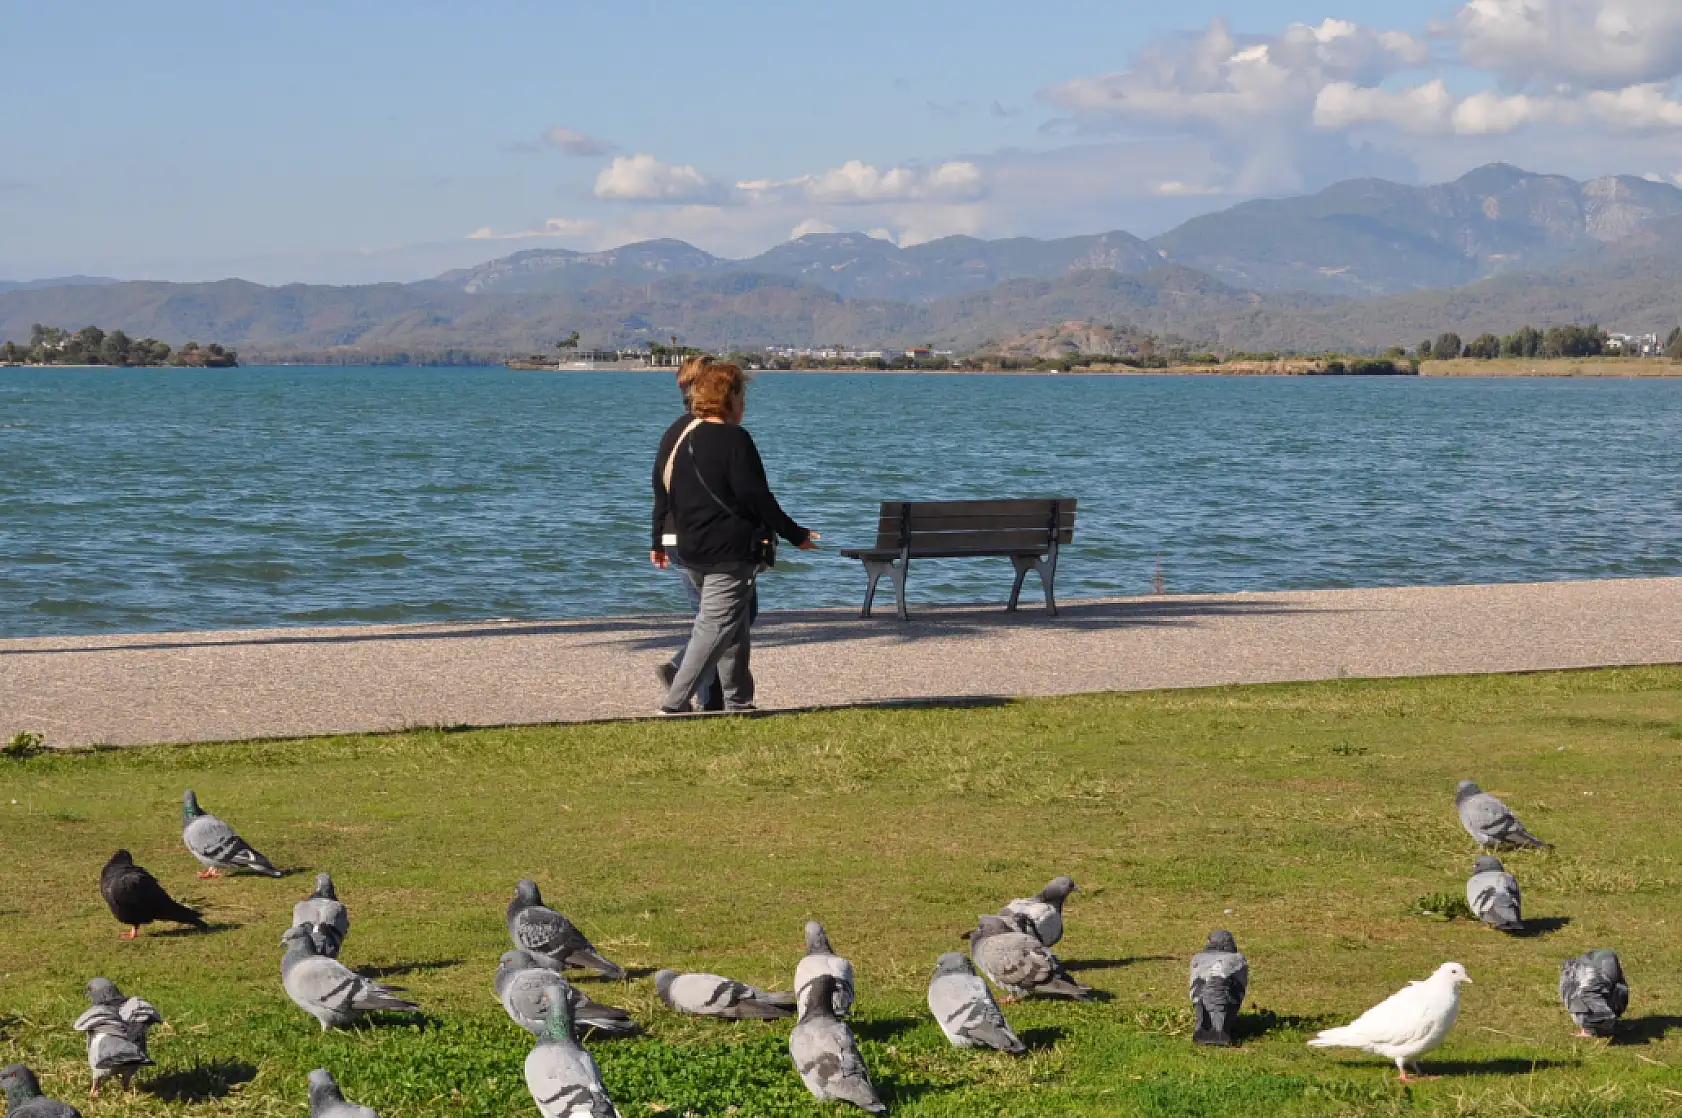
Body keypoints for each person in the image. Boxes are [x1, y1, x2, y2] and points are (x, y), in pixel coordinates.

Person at [650, 361, 817, 713]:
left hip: (692, 549)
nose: (745, 403)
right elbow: (758, 498)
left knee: (735, 624)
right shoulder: (735, 439)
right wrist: (796, 534)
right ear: (730, 397)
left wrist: (659, 539)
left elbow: (667, 494)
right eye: (742, 395)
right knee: (714, 627)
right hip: (729, 553)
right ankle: (675, 702)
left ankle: (739, 700)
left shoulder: (684, 435)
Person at [651, 357, 728, 710]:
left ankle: (699, 687)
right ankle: (693, 681)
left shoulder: (676, 430)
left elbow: (659, 488)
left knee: (711, 617)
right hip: (698, 537)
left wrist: (658, 539)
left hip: (677, 535)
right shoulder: (703, 431)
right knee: (719, 618)